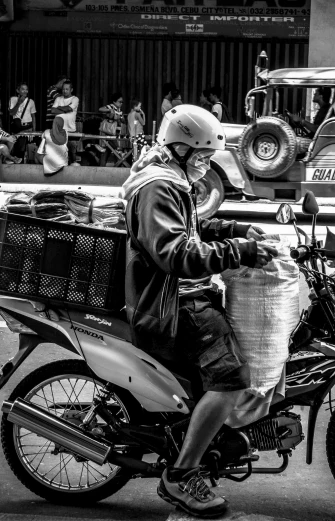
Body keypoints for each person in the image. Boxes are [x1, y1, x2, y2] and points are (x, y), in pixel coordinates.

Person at [121, 104, 277, 518]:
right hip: (175, 303)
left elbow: (191, 230)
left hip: (188, 293)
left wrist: (236, 231)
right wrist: (240, 252)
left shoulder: (173, 179)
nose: (205, 166)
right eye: (202, 157)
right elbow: (174, 253)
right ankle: (181, 473)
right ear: (179, 149)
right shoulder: (159, 185)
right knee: (231, 377)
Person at [50, 80, 80, 165]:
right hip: (59, 131)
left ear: (71, 90)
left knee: (72, 155)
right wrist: (65, 109)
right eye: (63, 89)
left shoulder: (75, 99)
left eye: (67, 89)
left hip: (71, 131)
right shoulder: (58, 98)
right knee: (59, 154)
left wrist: (59, 108)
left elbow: (69, 109)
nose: (64, 91)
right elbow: (52, 111)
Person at [99, 92, 125, 165]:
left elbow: (123, 120)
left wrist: (121, 118)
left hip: (116, 132)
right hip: (109, 132)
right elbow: (100, 109)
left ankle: (102, 165)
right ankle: (120, 164)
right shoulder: (111, 107)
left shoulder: (119, 110)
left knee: (108, 149)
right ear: (114, 101)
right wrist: (109, 110)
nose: (121, 103)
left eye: (122, 102)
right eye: (120, 102)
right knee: (117, 148)